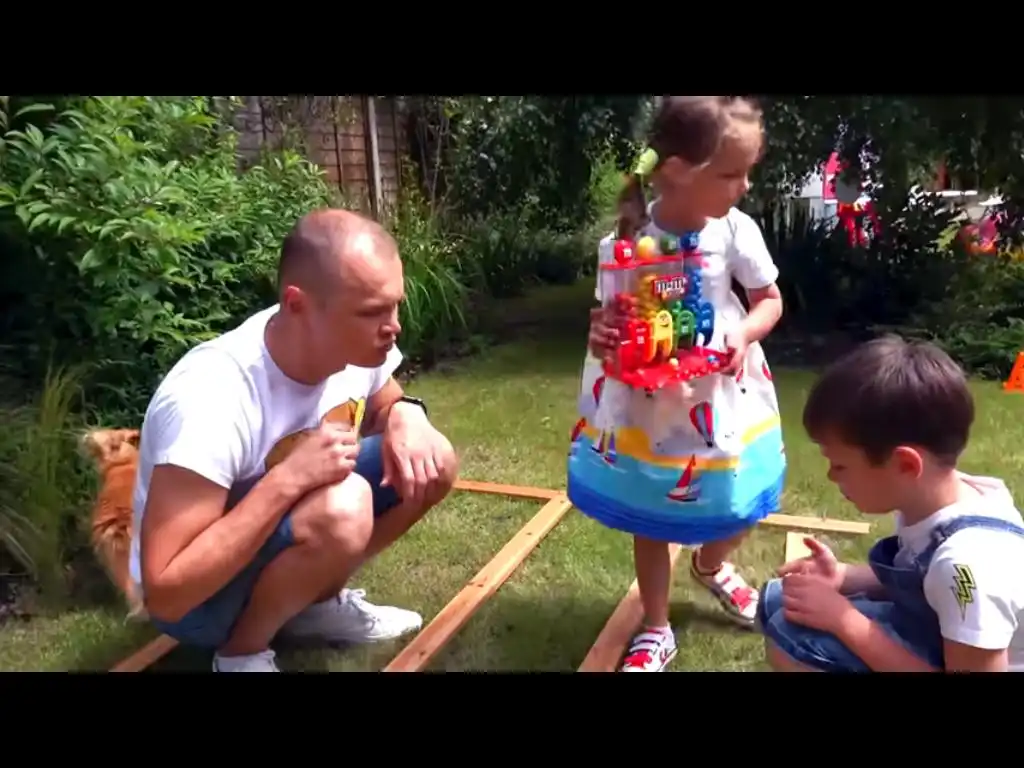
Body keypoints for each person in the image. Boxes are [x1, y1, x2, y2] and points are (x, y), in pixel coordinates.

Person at [130, 208, 459, 672]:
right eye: (371, 312)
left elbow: (386, 399)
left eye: (395, 305)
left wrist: (407, 413)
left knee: (435, 458)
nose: (394, 326)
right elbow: (167, 594)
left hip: (268, 538)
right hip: (199, 606)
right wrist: (288, 479)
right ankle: (241, 652)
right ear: (297, 304)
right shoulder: (210, 397)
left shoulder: (352, 345)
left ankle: (313, 605)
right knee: (344, 503)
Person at [570, 96, 786, 672]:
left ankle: (710, 564)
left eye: (746, 172)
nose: (744, 186)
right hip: (652, 404)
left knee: (742, 501)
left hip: (723, 392)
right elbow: (609, 318)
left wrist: (744, 332)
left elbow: (769, 300)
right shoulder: (626, 238)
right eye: (730, 174)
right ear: (677, 171)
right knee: (651, 513)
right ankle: (657, 626)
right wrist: (603, 334)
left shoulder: (735, 230)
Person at [758, 336, 1024, 672]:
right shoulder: (942, 498)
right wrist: (844, 577)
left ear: (905, 465)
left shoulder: (968, 566)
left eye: (840, 465)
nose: (830, 476)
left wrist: (844, 620)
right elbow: (923, 578)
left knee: (792, 641)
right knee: (781, 600)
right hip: (937, 633)